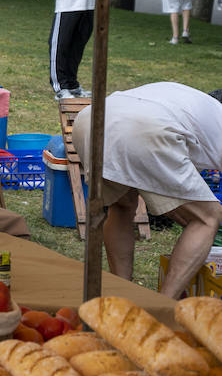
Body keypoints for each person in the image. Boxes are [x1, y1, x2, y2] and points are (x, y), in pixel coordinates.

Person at [73, 84, 222, 299]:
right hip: (146, 128)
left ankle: (122, 295)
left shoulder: (188, 100)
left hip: (92, 119)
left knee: (122, 206)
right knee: (208, 217)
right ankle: (163, 303)